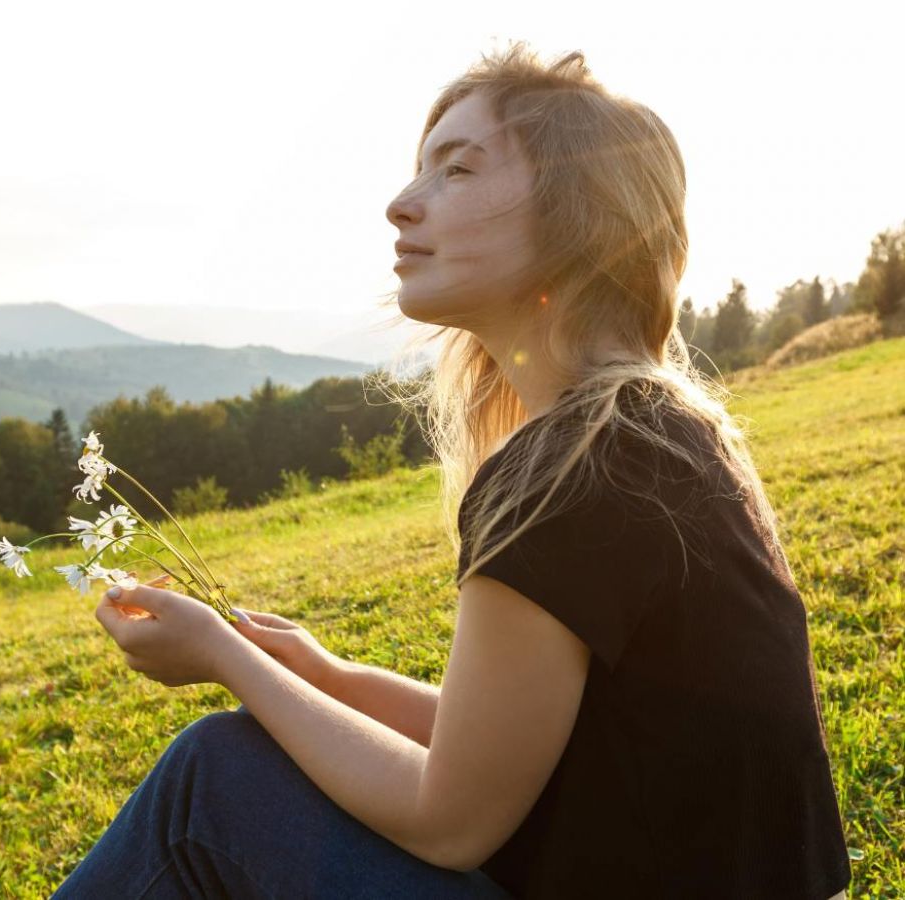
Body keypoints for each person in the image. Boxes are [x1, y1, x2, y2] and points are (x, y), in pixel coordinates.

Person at [52, 42, 852, 899]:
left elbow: (451, 820)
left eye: (457, 170)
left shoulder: (571, 470)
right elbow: (501, 749)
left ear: (578, 217)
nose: (402, 204)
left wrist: (221, 654)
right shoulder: (647, 432)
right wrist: (322, 674)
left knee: (213, 780)